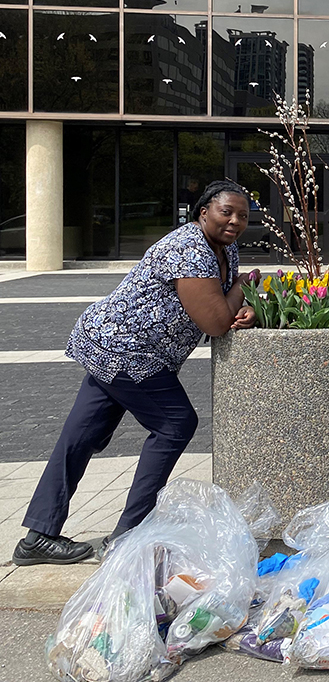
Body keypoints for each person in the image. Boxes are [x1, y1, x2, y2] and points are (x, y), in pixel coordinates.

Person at [13, 181, 256, 566]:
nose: (235, 221)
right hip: (127, 349)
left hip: (122, 347)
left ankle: (38, 536)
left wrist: (242, 304)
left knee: (81, 435)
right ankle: (130, 533)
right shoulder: (189, 247)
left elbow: (223, 308)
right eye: (226, 211)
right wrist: (243, 289)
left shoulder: (226, 247)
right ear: (204, 211)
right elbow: (215, 320)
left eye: (242, 215)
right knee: (176, 422)